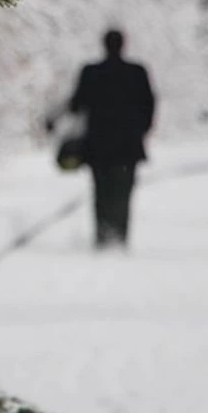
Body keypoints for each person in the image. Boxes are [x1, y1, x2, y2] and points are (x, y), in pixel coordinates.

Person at [47, 29, 155, 249]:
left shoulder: (91, 72)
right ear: (123, 44)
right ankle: (120, 236)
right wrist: (141, 130)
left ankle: (103, 235)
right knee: (123, 191)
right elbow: (149, 104)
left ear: (104, 45)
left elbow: (76, 103)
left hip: (99, 146)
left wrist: (54, 119)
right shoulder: (136, 72)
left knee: (101, 190)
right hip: (128, 146)